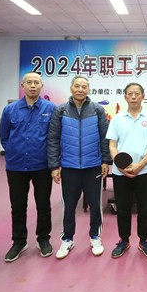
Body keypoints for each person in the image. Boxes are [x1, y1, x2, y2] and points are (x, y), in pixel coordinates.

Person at [48, 76, 111, 259]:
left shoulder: (97, 110)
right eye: (77, 86)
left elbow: (105, 137)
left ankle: (95, 236)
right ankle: (67, 238)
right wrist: (54, 165)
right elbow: (53, 139)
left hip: (93, 166)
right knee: (69, 205)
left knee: (95, 204)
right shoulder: (60, 110)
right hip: (69, 166)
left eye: (84, 86)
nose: (80, 89)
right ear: (71, 88)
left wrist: (105, 161)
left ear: (88, 90)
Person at [0, 72, 56, 262]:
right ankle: (19, 241)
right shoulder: (10, 110)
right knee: (18, 206)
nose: (33, 85)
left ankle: (43, 239)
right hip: (16, 166)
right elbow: (4, 136)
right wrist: (13, 151)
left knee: (43, 205)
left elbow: (54, 137)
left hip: (42, 166)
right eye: (29, 82)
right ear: (22, 86)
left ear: (41, 86)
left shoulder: (51, 109)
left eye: (36, 82)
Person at [106, 82, 147, 259]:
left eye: (137, 93)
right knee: (123, 208)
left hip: (145, 172)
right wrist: (120, 166)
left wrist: (140, 165)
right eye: (130, 93)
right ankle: (124, 240)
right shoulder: (117, 119)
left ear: (143, 96)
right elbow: (112, 145)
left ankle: (144, 240)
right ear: (125, 97)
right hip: (120, 173)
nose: (134, 96)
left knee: (145, 208)